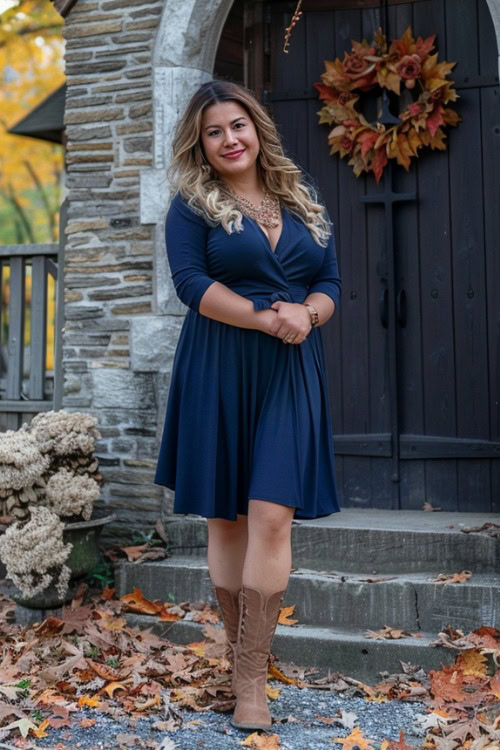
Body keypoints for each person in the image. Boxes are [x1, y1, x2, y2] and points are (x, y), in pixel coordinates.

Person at [153, 79, 342, 731]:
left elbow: (330, 281)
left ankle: (253, 680)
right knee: (227, 520)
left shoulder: (301, 194)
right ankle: (242, 672)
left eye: (237, 125)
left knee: (270, 515)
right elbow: (191, 285)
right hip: (219, 367)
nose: (229, 139)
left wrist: (308, 315)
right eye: (213, 132)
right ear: (200, 145)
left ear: (256, 128)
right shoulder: (191, 204)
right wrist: (266, 318)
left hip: (291, 369)